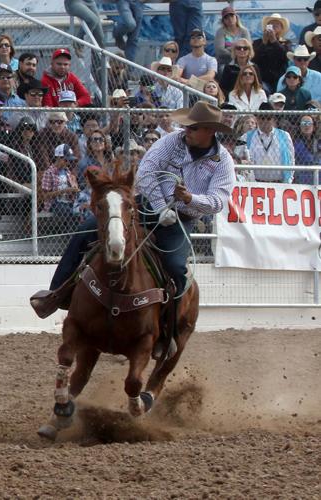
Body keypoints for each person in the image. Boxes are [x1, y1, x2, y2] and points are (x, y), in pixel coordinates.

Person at [30, 102, 236, 354]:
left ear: (209, 131)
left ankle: (167, 333)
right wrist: (161, 207)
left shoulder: (223, 161)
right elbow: (146, 173)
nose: (186, 131)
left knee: (176, 269)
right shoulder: (172, 141)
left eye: (193, 128)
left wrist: (189, 198)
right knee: (86, 229)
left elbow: (218, 201)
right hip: (145, 206)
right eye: (186, 126)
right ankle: (56, 294)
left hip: (181, 219)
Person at [244, 102, 295, 183]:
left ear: (273, 119)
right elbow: (240, 156)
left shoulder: (284, 136)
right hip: (255, 183)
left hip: (279, 183)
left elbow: (291, 158)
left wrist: (289, 179)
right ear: (257, 119)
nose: (265, 121)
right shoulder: (247, 136)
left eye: (268, 118)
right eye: (262, 118)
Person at [253, 13, 292, 94]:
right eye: (271, 24)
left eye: (277, 25)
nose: (274, 26)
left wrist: (274, 41)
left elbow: (286, 57)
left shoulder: (286, 43)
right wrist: (264, 43)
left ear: (281, 28)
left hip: (279, 79)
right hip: (262, 79)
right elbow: (254, 59)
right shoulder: (257, 43)